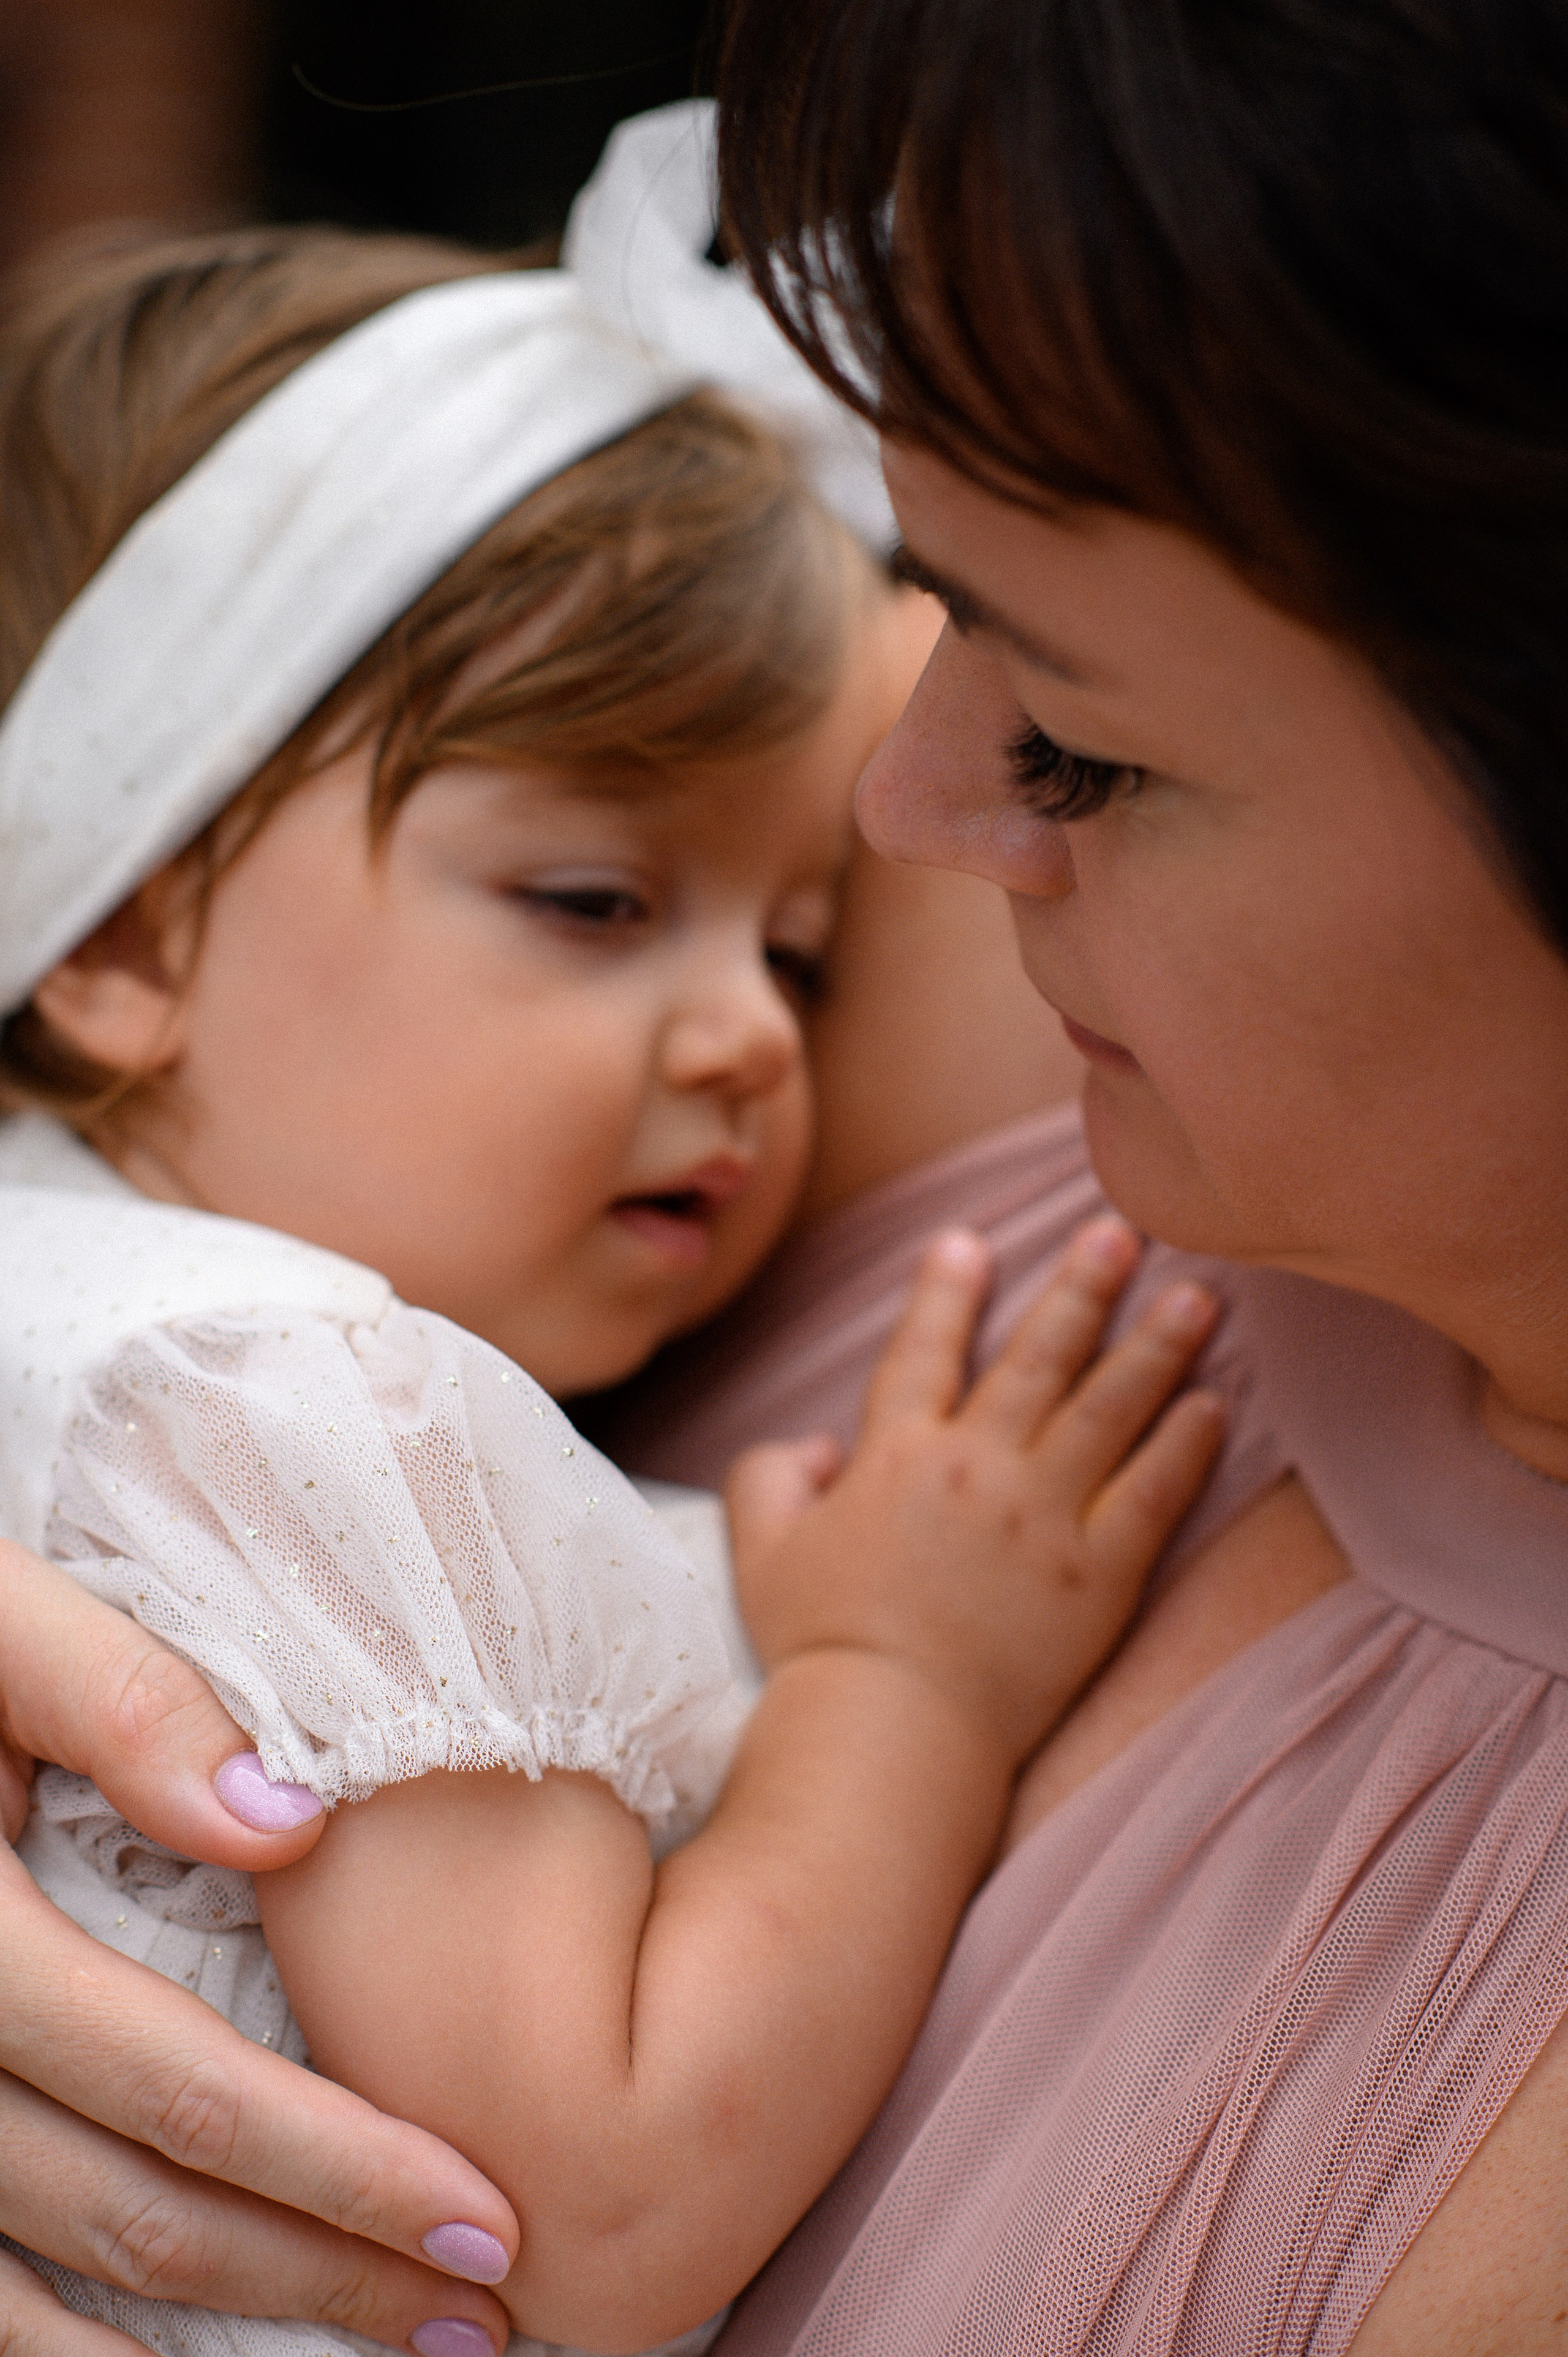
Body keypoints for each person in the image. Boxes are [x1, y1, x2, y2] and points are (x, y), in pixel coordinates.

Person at [0, 168, 1227, 2357]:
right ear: (115, 932)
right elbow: (601, 2212)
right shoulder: (316, 1400)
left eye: (801, 949)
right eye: (590, 903)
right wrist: (907, 1687)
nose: (752, 1036)